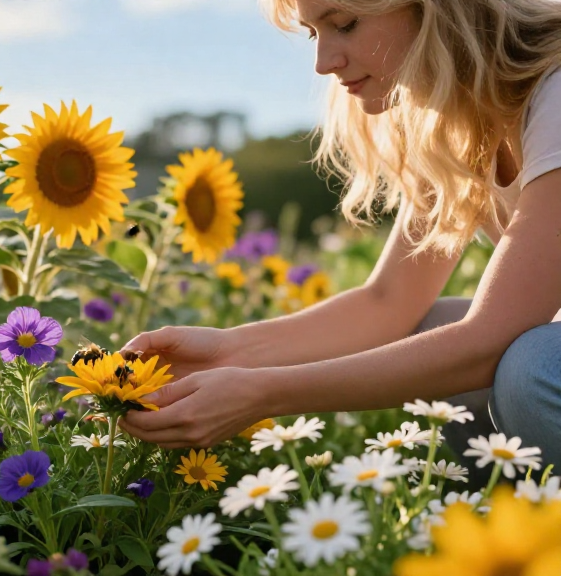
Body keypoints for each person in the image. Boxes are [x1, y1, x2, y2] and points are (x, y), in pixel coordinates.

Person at [119, 0, 561, 474]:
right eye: (314, 33)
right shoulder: (458, 126)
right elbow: (388, 303)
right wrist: (230, 354)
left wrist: (263, 393)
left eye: (345, 24)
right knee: (431, 329)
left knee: (527, 369)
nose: (323, 62)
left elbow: (489, 341)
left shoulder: (553, 94)